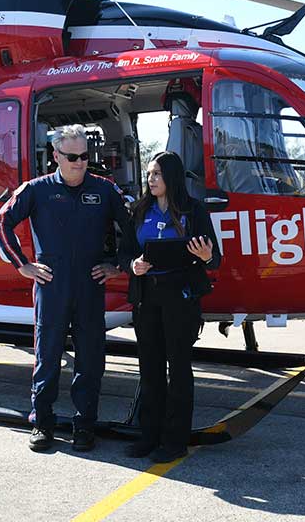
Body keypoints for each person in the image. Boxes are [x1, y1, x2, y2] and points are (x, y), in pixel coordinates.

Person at [0, 124, 128, 453]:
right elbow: (1, 223)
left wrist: (118, 265)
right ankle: (42, 422)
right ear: (56, 156)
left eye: (84, 156)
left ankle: (84, 425)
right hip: (51, 286)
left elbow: (132, 228)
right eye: (72, 156)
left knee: (90, 359)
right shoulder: (36, 190)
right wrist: (22, 265)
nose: (80, 162)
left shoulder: (105, 190)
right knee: (48, 356)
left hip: (90, 285)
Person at [118, 151, 221, 463]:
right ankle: (148, 436)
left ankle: (175, 441)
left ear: (172, 177)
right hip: (147, 297)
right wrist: (132, 264)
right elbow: (124, 254)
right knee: (149, 369)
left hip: (180, 297)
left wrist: (205, 257)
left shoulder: (194, 210)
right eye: (149, 174)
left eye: (157, 174)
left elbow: (214, 258)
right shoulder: (139, 210)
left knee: (178, 369)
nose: (151, 180)